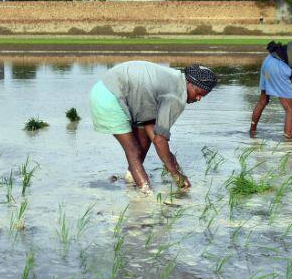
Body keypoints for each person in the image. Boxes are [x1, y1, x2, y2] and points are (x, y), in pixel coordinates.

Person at [89, 61, 217, 193]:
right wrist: (176, 175)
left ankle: (132, 175)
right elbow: (160, 140)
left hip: (119, 91)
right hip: (109, 95)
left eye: (203, 96)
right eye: (198, 92)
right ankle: (146, 195)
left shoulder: (175, 79)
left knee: (145, 137)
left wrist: (173, 163)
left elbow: (154, 135)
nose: (199, 98)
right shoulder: (177, 96)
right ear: (189, 83)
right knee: (133, 151)